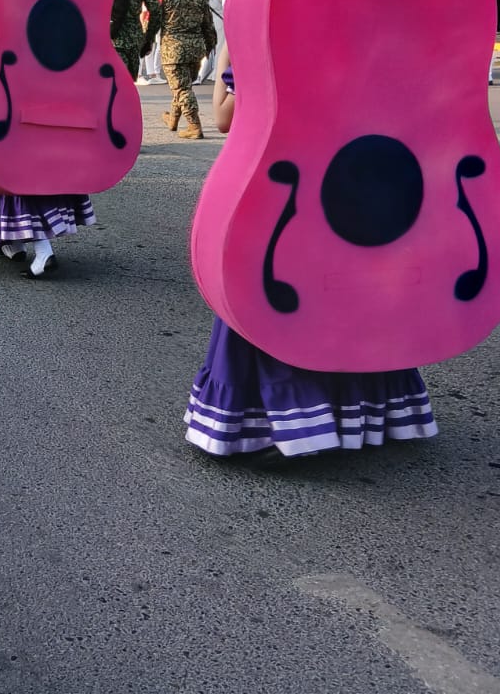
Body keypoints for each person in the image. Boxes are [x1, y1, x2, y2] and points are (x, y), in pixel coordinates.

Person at [183, 39, 438, 457]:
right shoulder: (369, 34)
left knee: (273, 299)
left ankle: (292, 419)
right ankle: (361, 415)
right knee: (348, 295)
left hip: (283, 184)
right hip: (357, 179)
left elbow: (225, 117)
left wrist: (229, 53)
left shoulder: (273, 32)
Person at [0, 10, 93, 278]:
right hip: (45, 92)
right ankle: (13, 242)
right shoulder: (47, 8)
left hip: (6, 99)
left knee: (7, 176)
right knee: (32, 174)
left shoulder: (2, 5)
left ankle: (42, 249)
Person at [156, 0, 216, 139]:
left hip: (173, 50)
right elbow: (208, 26)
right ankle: (173, 119)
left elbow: (152, 22)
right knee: (183, 86)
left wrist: (146, 40)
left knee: (182, 89)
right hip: (196, 48)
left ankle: (194, 126)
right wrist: (208, 47)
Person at [195, 0, 225, 84]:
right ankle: (217, 72)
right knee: (220, 48)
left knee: (212, 50)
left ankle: (209, 72)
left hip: (210, 22)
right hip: (220, 23)